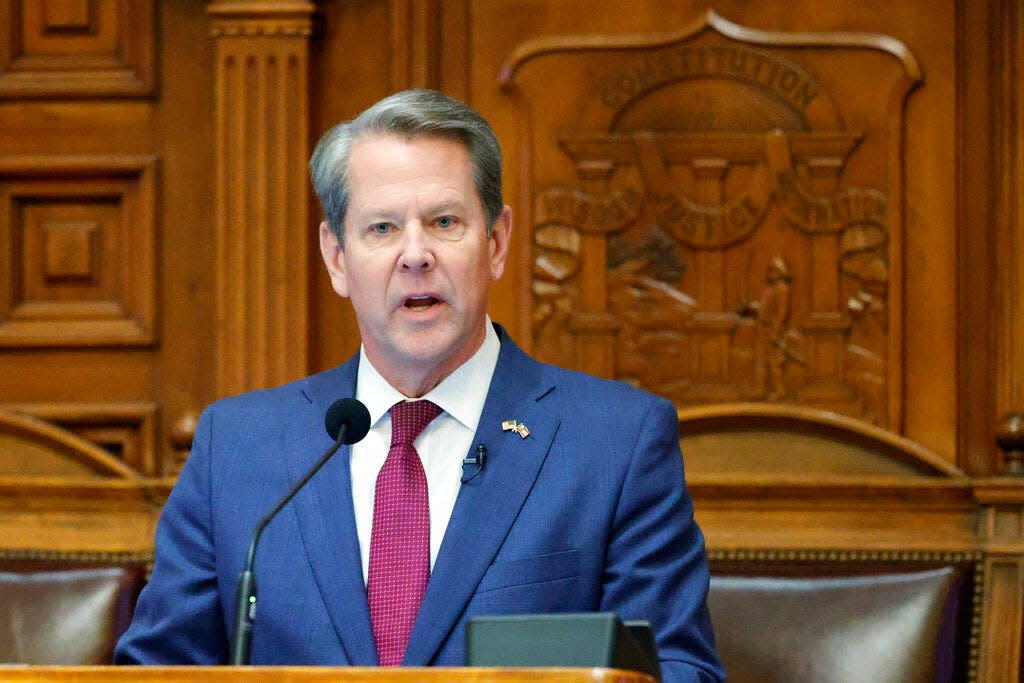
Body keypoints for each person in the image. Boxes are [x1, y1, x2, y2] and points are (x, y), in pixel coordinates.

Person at [114, 89, 724, 681]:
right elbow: (154, 674)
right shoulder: (238, 450)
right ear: (335, 257)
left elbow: (676, 670)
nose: (415, 254)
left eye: (444, 221)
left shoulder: (615, 443)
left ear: (497, 243)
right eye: (381, 228)